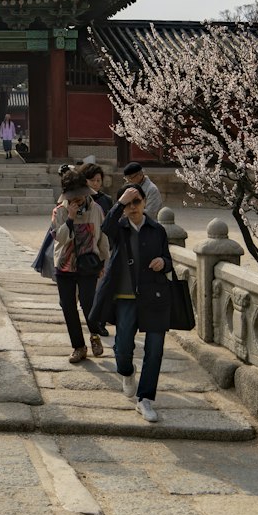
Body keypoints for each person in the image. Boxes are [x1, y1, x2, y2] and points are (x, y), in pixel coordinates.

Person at [89, 184, 174, 423]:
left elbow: (168, 259)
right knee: (123, 347)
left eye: (137, 201)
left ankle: (145, 399)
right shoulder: (120, 228)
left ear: (145, 202)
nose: (133, 207)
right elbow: (105, 227)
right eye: (128, 203)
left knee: (155, 349)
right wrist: (120, 203)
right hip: (125, 298)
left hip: (154, 297)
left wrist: (162, 262)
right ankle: (126, 372)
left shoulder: (157, 229)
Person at [51, 169, 109, 363]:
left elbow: (102, 238)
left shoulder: (97, 209)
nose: (78, 199)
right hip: (64, 265)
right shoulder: (59, 211)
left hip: (88, 264)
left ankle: (94, 336)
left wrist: (103, 262)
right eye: (73, 196)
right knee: (68, 306)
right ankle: (78, 346)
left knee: (88, 303)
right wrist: (70, 217)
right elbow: (59, 238)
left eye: (81, 194)